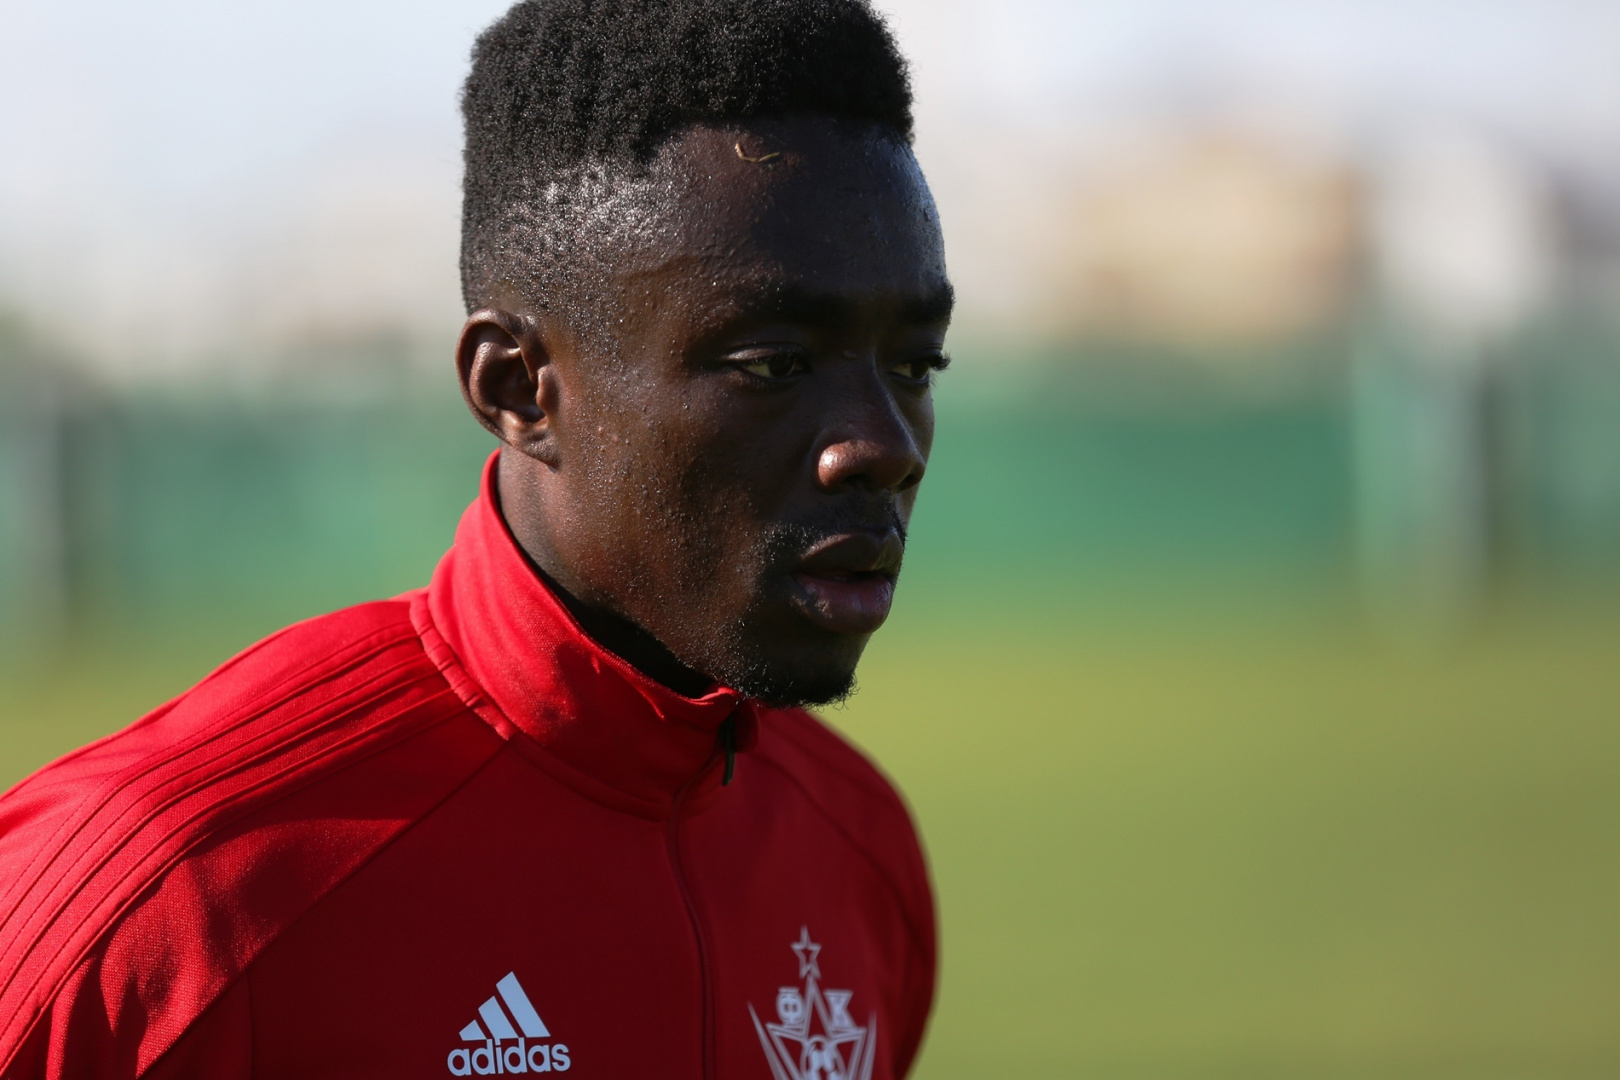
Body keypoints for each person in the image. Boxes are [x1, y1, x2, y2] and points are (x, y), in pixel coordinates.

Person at [0, 0, 952, 1076]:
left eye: (915, 365)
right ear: (518, 390)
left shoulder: (857, 854)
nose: (884, 445)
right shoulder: (169, 904)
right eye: (774, 364)